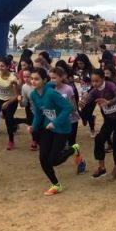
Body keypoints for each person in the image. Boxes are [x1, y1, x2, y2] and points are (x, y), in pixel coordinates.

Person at [28, 67, 82, 196]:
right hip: (48, 128)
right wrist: (33, 126)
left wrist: (56, 122)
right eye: (31, 79)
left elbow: (69, 107)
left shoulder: (51, 93)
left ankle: (73, 149)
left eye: (36, 79)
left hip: (62, 128)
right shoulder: (33, 95)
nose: (33, 81)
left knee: (53, 160)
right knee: (43, 158)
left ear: (44, 80)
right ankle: (56, 185)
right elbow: (39, 113)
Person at [80, 69, 116, 179]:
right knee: (99, 139)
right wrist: (83, 102)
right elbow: (89, 98)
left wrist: (108, 102)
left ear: (103, 79)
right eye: (92, 81)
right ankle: (102, 168)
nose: (95, 84)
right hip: (109, 120)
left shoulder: (111, 86)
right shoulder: (95, 90)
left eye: (97, 81)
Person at [49, 66, 86, 174]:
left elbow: (74, 107)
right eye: (50, 78)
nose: (52, 80)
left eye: (54, 78)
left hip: (71, 121)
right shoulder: (49, 89)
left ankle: (80, 162)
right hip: (57, 122)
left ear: (62, 77)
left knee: (72, 143)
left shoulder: (68, 89)